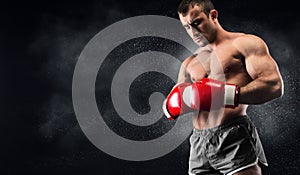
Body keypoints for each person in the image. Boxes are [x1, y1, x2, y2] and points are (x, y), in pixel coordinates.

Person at [162, 0, 284, 174]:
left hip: (232, 134)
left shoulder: (244, 44)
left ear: (213, 16)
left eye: (196, 23)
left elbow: (274, 85)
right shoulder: (189, 63)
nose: (193, 31)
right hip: (198, 143)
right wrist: (170, 107)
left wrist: (223, 95)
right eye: (187, 27)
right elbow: (171, 103)